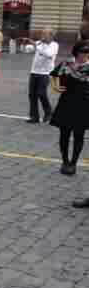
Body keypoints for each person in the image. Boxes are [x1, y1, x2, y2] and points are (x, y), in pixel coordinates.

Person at [52, 43, 89, 185]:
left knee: (79, 135)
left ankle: (73, 163)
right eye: (82, 51)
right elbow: (53, 74)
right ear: (76, 52)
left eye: (87, 51)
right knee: (64, 134)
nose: (85, 54)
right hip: (66, 103)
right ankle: (65, 161)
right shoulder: (67, 64)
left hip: (84, 104)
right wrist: (55, 87)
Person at [26, 28, 58, 125]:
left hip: (45, 73)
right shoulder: (39, 43)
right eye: (42, 34)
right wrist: (28, 46)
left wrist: (36, 46)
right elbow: (29, 50)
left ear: (51, 36)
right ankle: (34, 116)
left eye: (45, 34)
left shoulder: (54, 45)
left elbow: (49, 54)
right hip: (34, 72)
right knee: (32, 95)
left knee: (41, 93)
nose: (43, 36)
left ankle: (49, 112)